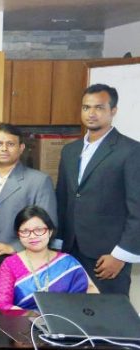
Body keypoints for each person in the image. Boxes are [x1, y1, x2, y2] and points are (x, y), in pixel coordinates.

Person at [57, 84, 140, 295]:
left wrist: (122, 255)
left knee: (107, 320)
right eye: (86, 107)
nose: (91, 113)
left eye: (99, 108)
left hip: (107, 256)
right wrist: (56, 245)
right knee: (69, 314)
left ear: (113, 111)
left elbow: (137, 209)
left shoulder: (131, 151)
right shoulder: (70, 151)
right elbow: (63, 200)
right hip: (69, 251)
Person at [0, 206, 99, 311]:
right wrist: (35, 318)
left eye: (39, 230)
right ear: (18, 235)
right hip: (24, 323)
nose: (32, 236)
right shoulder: (10, 264)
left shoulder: (68, 262)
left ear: (50, 231)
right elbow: (3, 304)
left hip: (65, 323)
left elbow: (92, 295)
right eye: (25, 231)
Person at [0, 124, 57, 256]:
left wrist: (14, 247)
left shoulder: (39, 181)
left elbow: (48, 226)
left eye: (10, 144)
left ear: (21, 148)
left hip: (18, 257)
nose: (4, 149)